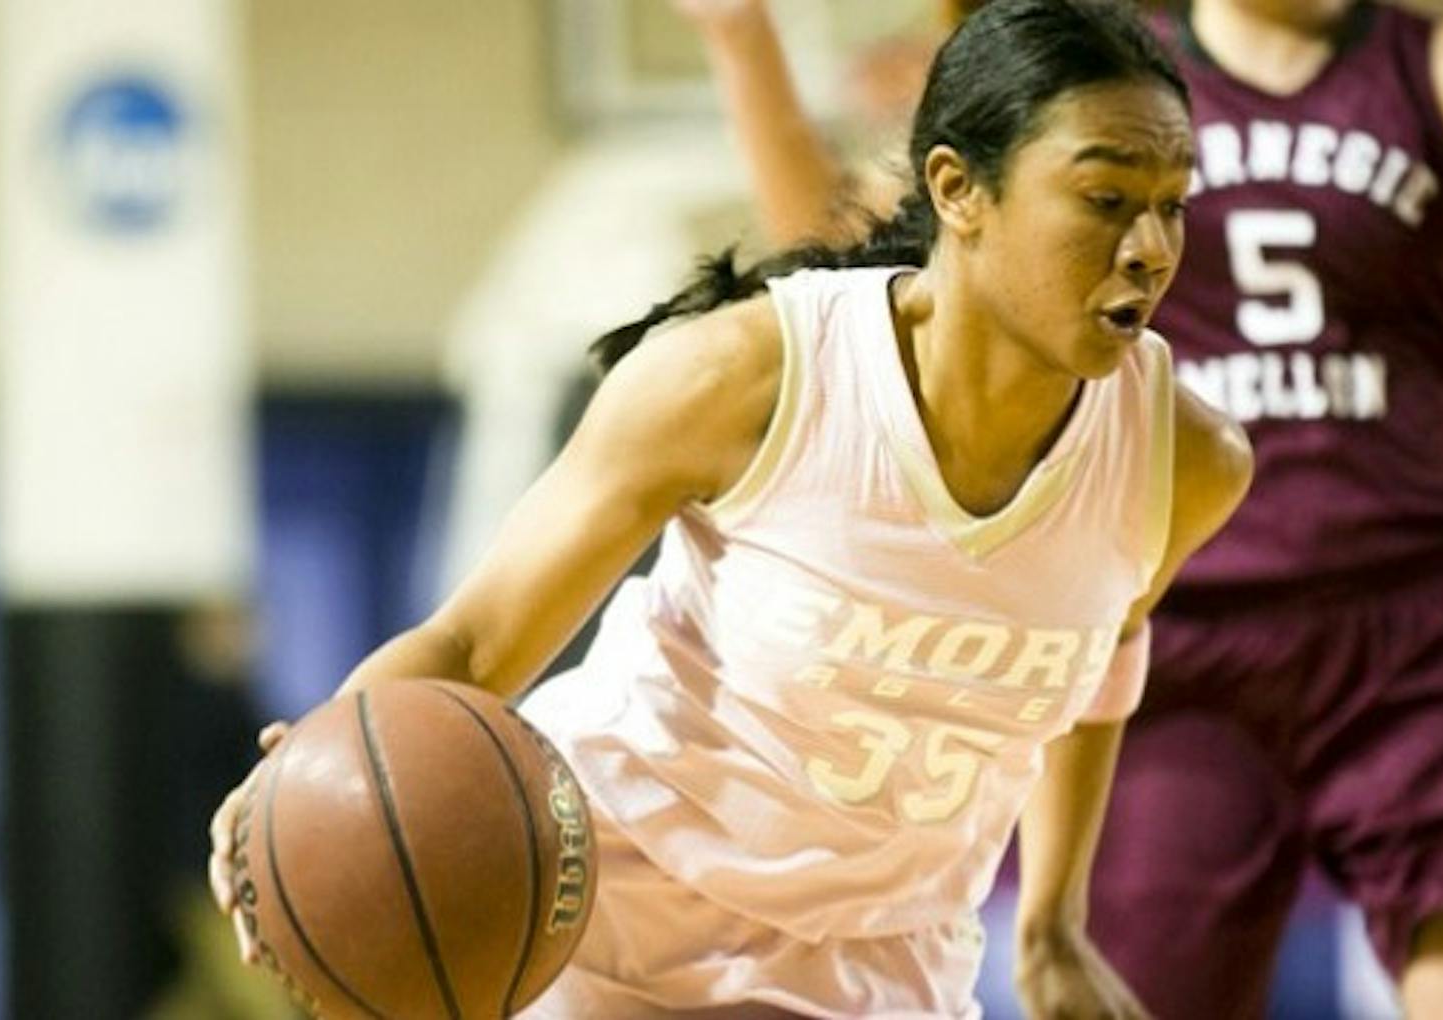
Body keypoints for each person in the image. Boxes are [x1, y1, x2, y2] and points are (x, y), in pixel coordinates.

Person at [209, 2, 1254, 1016]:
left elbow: (1103, 663)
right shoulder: (745, 378)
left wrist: (1051, 927)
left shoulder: (1184, 462)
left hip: (880, 971)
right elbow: (475, 646)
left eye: (1171, 202)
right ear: (956, 189)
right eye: (1106, 200)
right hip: (603, 931)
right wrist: (292, 793)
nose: (1149, 246)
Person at [675, 0, 1443, 1017]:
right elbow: (835, 252)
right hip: (1180, 641)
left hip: (1419, 637)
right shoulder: (1103, 72)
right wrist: (741, 40)